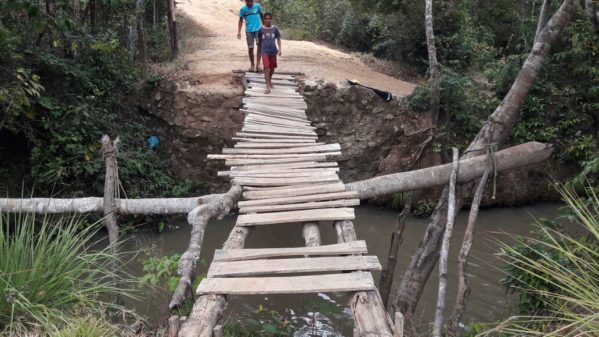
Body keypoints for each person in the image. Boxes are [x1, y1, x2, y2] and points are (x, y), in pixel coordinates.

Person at [258, 12, 282, 94]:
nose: (268, 20)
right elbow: (259, 41)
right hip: (265, 51)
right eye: (266, 18)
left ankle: (269, 79)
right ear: (264, 20)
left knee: (272, 67)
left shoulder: (275, 29)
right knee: (266, 67)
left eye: (269, 18)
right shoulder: (261, 29)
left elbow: (278, 39)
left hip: (273, 51)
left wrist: (280, 49)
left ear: (271, 19)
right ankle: (267, 86)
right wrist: (260, 51)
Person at [237, 0, 263, 72]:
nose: (250, 3)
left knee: (259, 46)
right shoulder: (243, 9)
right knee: (250, 48)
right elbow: (240, 20)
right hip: (249, 30)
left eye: (251, 1)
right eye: (248, 1)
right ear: (245, 1)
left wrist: (265, 27)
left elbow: (261, 15)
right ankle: (252, 65)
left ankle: (258, 65)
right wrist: (239, 31)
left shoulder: (257, 6)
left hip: (258, 29)